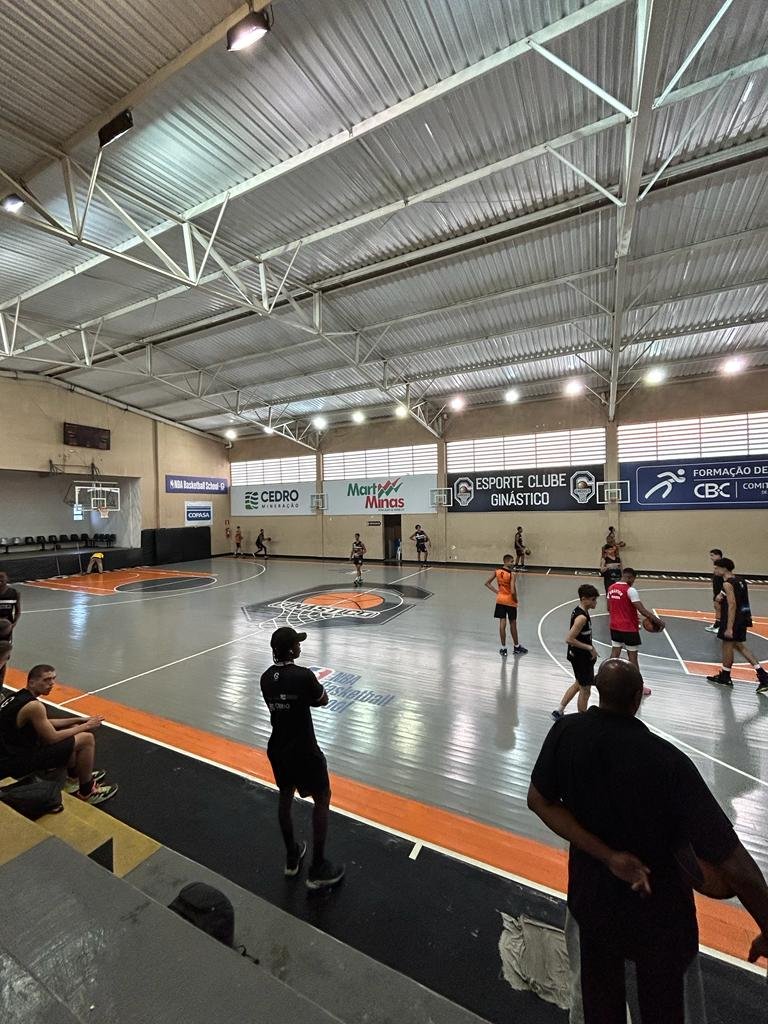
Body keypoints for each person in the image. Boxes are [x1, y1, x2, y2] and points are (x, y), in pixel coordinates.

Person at [529, 659, 768, 1024]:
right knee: (665, 1010)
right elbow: (735, 864)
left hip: (592, 905)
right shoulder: (668, 763)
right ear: (639, 699)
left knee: (599, 1006)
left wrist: (609, 857)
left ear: (597, 691)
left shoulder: (566, 734)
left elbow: (539, 800)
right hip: (660, 920)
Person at [260, 627, 344, 890]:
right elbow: (323, 700)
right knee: (322, 798)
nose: (300, 647)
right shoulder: (304, 676)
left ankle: (292, 856)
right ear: (291, 650)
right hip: (305, 750)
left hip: (278, 748)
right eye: (297, 644)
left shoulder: (265, 679)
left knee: (285, 796)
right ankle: (317, 867)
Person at [0, 664, 116, 804]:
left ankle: (74, 778)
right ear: (32, 682)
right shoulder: (35, 706)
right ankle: (87, 791)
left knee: (72, 727)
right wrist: (87, 726)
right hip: (16, 763)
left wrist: (78, 720)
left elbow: (45, 723)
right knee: (86, 738)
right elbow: (52, 738)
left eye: (53, 679)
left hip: (8, 754)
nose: (51, 684)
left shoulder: (16, 697)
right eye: (46, 680)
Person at [706, 557, 768, 696]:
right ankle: (760, 674)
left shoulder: (728, 584)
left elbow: (732, 604)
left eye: (716, 568)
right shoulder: (740, 580)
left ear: (724, 569)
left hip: (732, 620)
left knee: (728, 646)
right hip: (743, 618)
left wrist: (729, 627)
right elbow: (735, 595)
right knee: (739, 646)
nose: (714, 570)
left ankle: (727, 677)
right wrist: (720, 595)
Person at [607, 568, 664, 695]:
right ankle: (638, 686)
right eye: (633, 580)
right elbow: (642, 610)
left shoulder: (611, 588)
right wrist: (658, 621)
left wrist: (624, 614)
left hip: (614, 626)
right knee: (633, 659)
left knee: (614, 655)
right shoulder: (630, 590)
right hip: (628, 628)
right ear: (631, 578)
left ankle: (605, 680)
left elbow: (609, 608)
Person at [552, 584, 600, 719]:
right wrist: (590, 648)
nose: (595, 602)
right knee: (585, 690)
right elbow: (569, 639)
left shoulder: (579, 611)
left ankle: (559, 710)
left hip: (577, 655)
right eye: (593, 600)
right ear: (584, 599)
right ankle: (582, 719)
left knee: (579, 683)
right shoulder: (581, 618)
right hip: (580, 657)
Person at [485, 553, 527, 657]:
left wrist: (497, 592)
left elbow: (487, 583)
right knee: (513, 624)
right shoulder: (512, 574)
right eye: (512, 561)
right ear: (506, 561)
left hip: (500, 600)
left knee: (502, 624)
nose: (513, 563)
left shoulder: (497, 571)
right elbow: (512, 591)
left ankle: (503, 649)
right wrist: (516, 599)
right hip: (510, 601)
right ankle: (516, 647)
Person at [704, 548, 724, 633]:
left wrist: (722, 592)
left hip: (721, 591)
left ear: (718, 555)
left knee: (720, 608)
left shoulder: (722, 565)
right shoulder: (716, 564)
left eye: (712, 555)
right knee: (717, 607)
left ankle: (721, 626)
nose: (711, 558)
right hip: (716, 590)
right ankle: (717, 624)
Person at [0, 572, 21, 638]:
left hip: (6, 624)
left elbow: (18, 611)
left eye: (2, 577)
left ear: (7, 579)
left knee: (6, 645)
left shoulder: (15, 593)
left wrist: (14, 623)